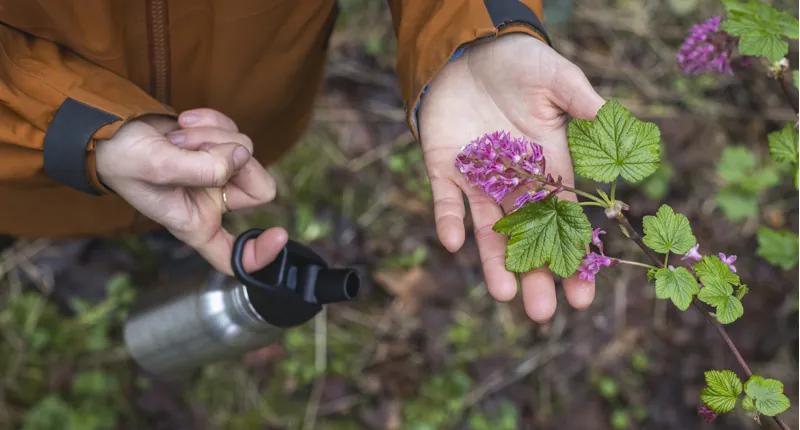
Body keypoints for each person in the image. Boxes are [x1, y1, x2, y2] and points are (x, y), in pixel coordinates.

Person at [0, 0, 605, 323]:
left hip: (249, 112)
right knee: (38, 214)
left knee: (198, 213)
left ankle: (164, 245)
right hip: (20, 160)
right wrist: (74, 126)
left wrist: (471, 23)